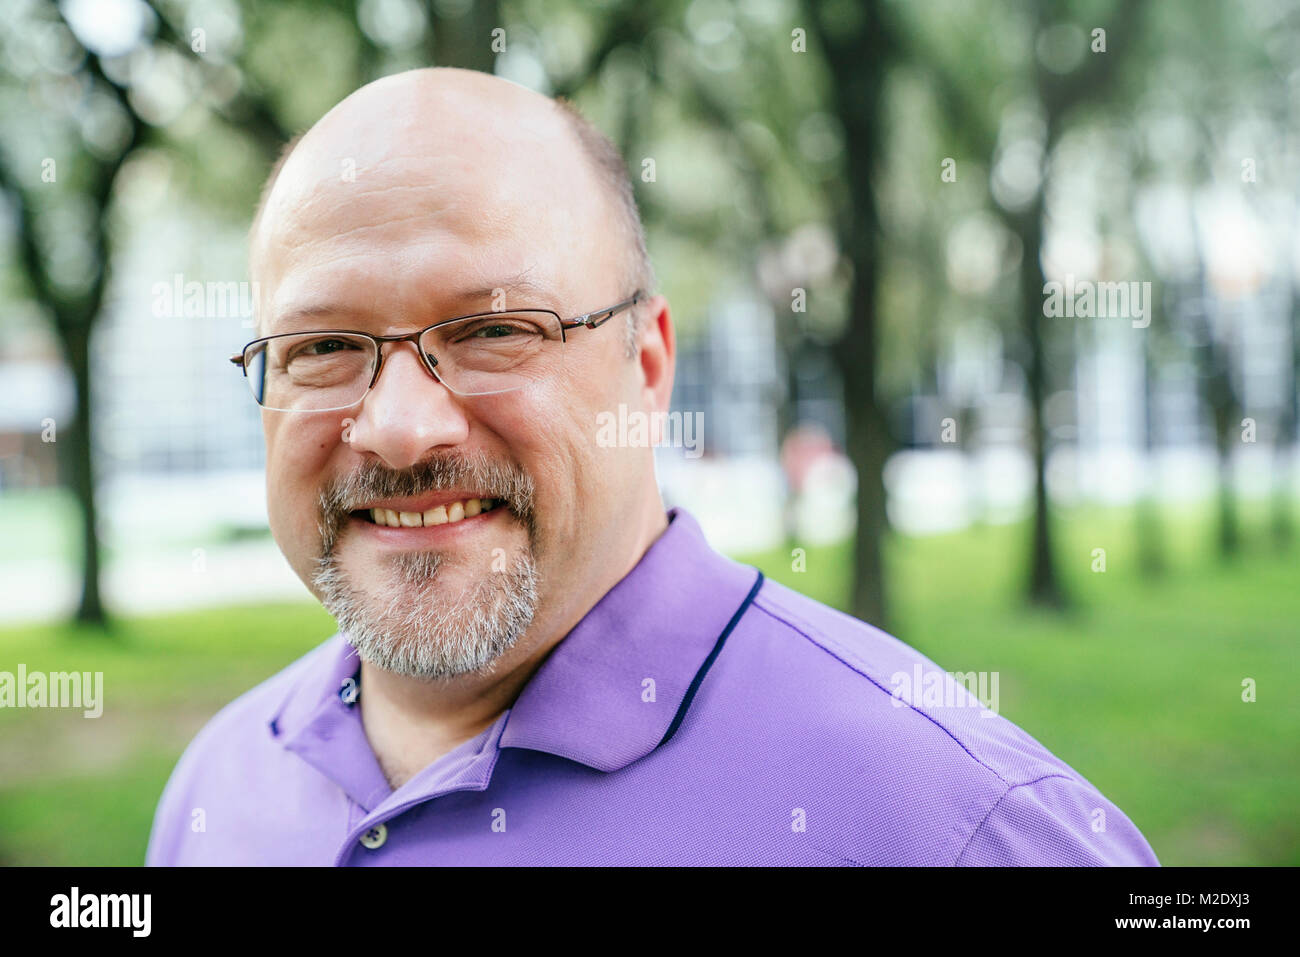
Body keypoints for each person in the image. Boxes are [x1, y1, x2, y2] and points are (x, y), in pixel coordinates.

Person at [146, 67, 1158, 866]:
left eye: (496, 327)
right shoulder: (216, 787)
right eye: (321, 347)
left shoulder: (957, 828)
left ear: (648, 365)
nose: (402, 430)